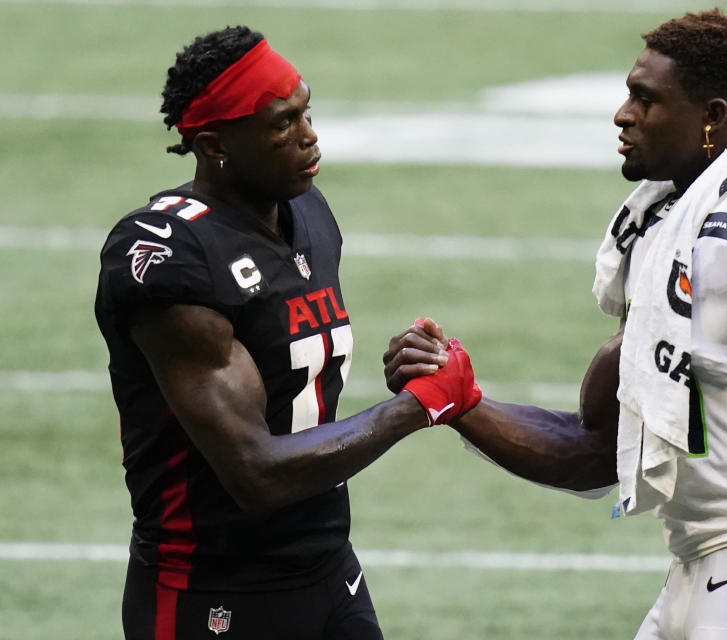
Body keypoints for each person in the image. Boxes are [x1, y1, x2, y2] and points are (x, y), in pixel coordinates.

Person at [384, 10, 727, 640]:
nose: (622, 114)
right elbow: (596, 451)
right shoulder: (669, 224)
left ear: (712, 118)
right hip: (703, 559)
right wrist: (459, 401)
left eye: (646, 99)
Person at [94, 26, 480, 640]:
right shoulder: (171, 252)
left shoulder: (307, 210)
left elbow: (295, 371)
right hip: (214, 588)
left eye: (306, 111)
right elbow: (255, 471)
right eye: (282, 124)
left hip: (327, 567)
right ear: (216, 144)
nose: (309, 136)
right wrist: (414, 409)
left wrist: (403, 367)